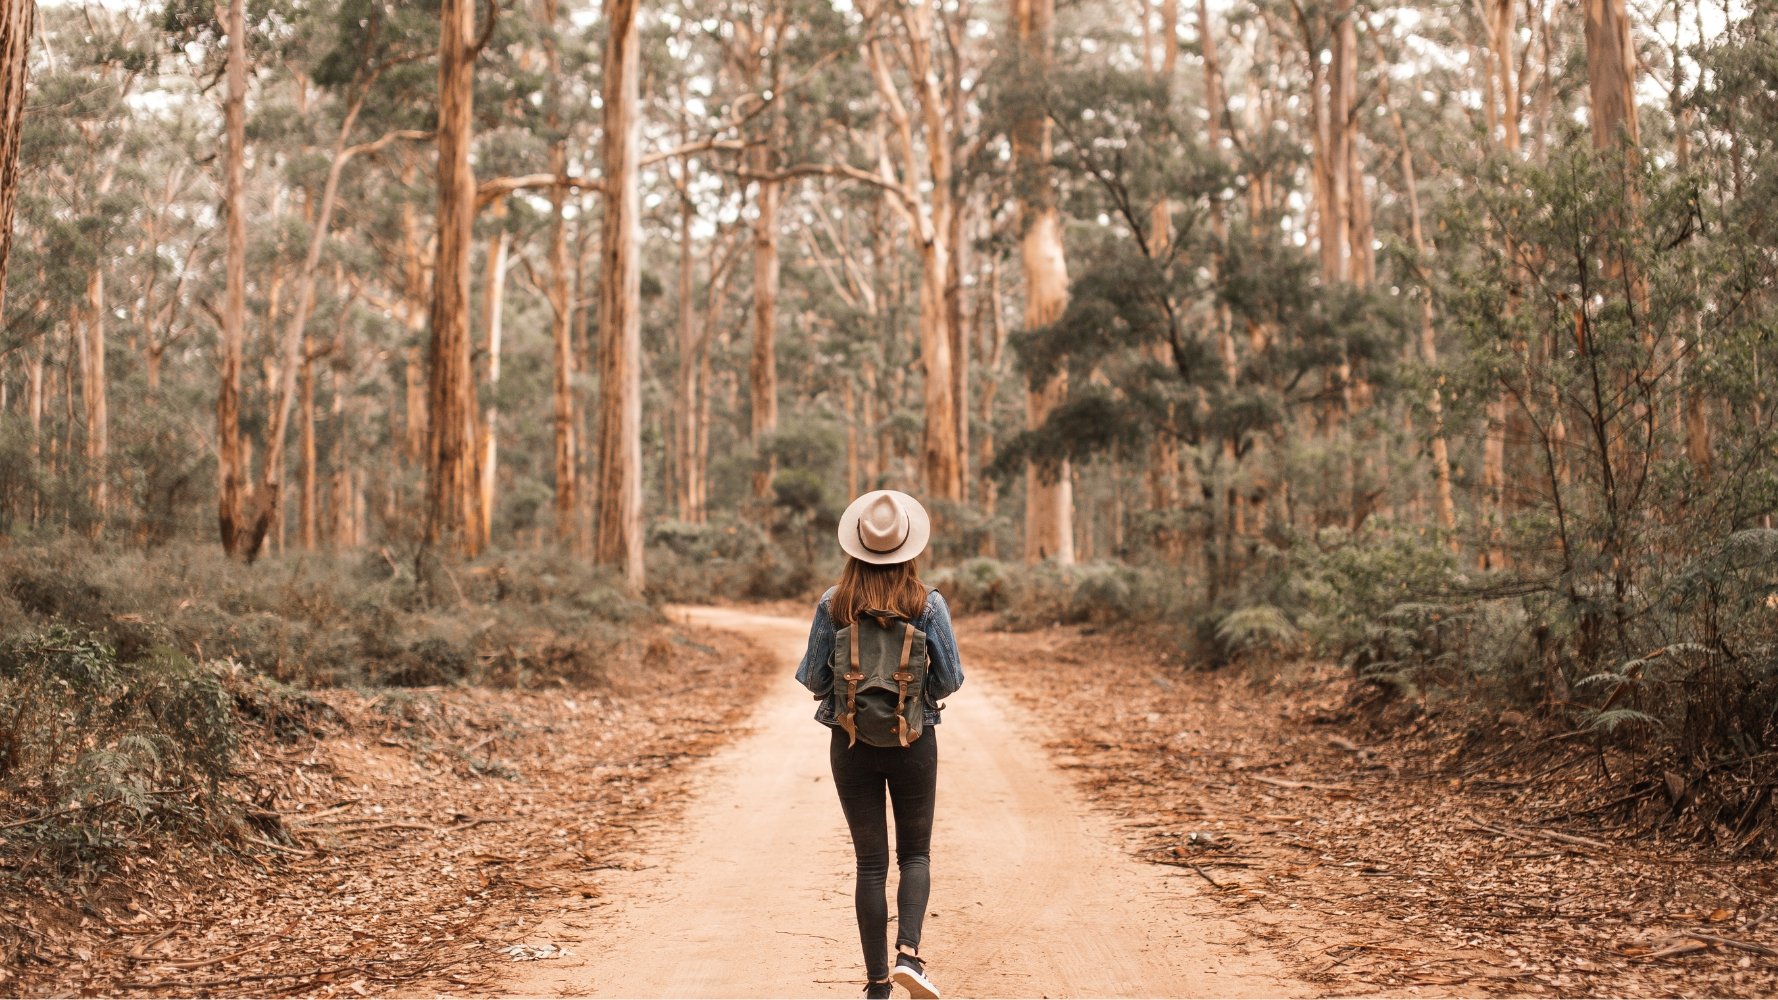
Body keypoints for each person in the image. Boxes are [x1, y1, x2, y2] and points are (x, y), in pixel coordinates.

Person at [796, 490, 965, 1000]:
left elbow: (813, 679)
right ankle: (909, 956)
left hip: (849, 744)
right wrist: (914, 699)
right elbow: (951, 678)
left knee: (871, 864)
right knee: (916, 855)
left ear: (856, 546)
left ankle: (875, 988)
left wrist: (854, 690)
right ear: (908, 546)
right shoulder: (927, 604)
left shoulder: (834, 603)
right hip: (914, 741)